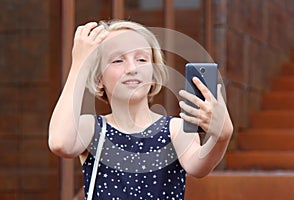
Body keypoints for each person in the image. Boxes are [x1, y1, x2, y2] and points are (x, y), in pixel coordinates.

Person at [48, 19, 233, 199]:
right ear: (99, 80)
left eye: (142, 59)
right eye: (118, 60)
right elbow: (60, 143)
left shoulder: (175, 129)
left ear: (153, 75)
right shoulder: (94, 128)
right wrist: (79, 65)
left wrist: (222, 135)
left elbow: (198, 167)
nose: (131, 68)